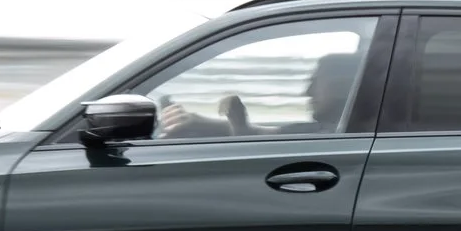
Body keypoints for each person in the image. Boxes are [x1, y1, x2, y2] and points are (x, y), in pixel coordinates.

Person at [153, 47, 361, 139]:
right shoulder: (330, 129)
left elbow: (246, 148)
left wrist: (237, 121)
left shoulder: (330, 135)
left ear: (341, 86)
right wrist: (197, 121)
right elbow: (266, 134)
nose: (306, 92)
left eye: (315, 82)